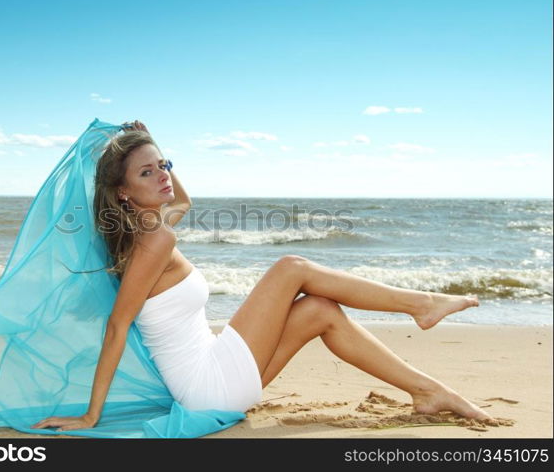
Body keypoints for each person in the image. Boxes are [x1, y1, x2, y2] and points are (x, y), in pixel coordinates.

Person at [31, 120, 492, 432]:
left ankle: (429, 392)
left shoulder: (148, 230)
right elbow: (117, 325)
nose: (163, 177)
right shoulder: (153, 240)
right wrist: (92, 416)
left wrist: (160, 154)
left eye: (164, 166)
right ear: (124, 193)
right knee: (292, 267)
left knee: (319, 310)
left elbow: (184, 204)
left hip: (213, 377)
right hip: (207, 386)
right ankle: (421, 305)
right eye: (147, 173)